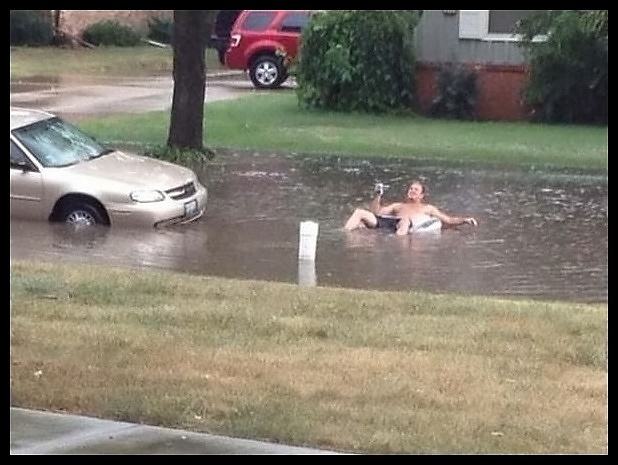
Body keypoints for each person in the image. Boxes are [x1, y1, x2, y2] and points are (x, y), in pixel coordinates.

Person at [343, 180, 478, 236]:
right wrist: (378, 195)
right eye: (411, 188)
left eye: (416, 189)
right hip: (388, 223)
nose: (412, 191)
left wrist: (465, 220)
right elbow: (376, 212)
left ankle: (395, 243)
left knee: (405, 220)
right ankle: (343, 234)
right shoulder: (398, 205)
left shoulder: (427, 208)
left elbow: (448, 220)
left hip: (404, 227)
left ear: (421, 195)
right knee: (359, 212)